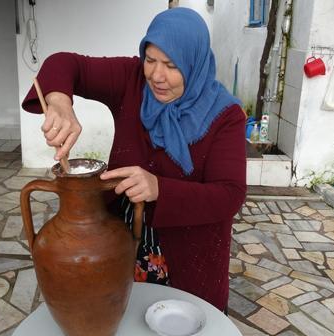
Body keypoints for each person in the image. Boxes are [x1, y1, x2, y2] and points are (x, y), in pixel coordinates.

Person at [22, 7, 246, 312]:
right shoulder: (131, 81)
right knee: (120, 323)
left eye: (171, 65)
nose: (156, 75)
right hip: (117, 245)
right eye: (150, 60)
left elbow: (229, 196)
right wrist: (60, 101)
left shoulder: (225, 115)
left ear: (194, 63)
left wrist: (159, 188)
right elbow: (64, 62)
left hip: (188, 253)